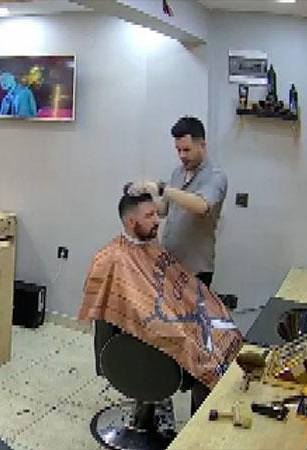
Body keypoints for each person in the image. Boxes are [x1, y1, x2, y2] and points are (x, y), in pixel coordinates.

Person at [80, 193, 242, 416]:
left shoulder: (151, 247)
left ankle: (203, 419)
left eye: (157, 213)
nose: (158, 220)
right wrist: (181, 330)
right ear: (131, 222)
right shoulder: (111, 258)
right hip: (143, 341)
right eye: (150, 215)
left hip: (173, 322)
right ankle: (200, 427)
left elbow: (175, 290)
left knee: (224, 333)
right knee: (205, 356)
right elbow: (139, 313)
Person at [128, 116, 228, 414]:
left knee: (192, 342)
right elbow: (165, 209)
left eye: (186, 150)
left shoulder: (216, 177)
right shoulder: (178, 173)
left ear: (202, 144)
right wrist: (146, 197)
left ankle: (198, 409)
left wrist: (164, 187)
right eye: (178, 150)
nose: (182, 156)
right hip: (169, 268)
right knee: (164, 336)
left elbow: (200, 205)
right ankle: (158, 396)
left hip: (195, 271)